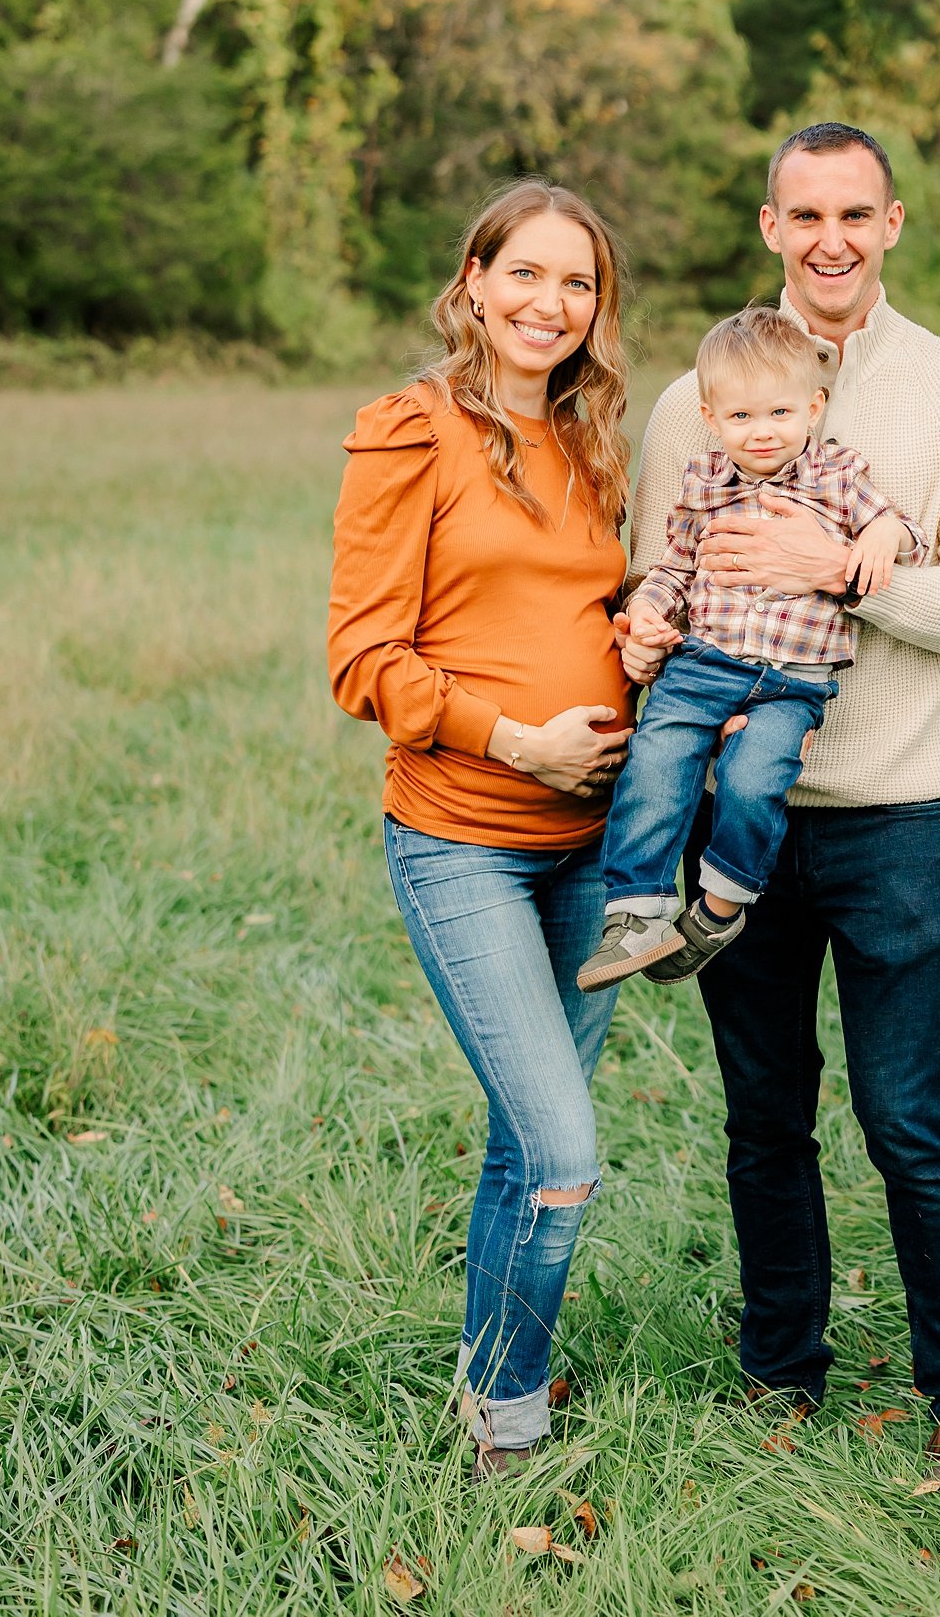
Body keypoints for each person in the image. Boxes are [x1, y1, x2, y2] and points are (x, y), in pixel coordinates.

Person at [630, 121, 940, 1475]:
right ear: (769, 226)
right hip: (736, 819)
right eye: (806, 216)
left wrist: (847, 566)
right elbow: (657, 578)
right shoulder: (697, 397)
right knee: (764, 1111)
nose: (832, 240)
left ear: (894, 221)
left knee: (908, 1111)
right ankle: (779, 1372)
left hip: (892, 816)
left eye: (856, 214)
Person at [327, 179, 635, 1481]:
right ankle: (508, 1411)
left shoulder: (592, 443)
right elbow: (361, 660)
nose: (548, 304)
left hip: (597, 847)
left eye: (578, 284)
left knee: (529, 1139)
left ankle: (498, 1403)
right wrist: (522, 741)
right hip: (464, 839)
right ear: (474, 279)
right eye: (527, 274)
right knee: (564, 1150)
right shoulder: (412, 429)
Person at [576, 305, 924, 992]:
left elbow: (900, 527)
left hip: (795, 678)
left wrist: (882, 537)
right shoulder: (705, 485)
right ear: (710, 417)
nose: (761, 433)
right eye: (740, 418)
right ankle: (636, 911)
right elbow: (673, 570)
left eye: (778, 414)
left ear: (812, 408)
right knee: (655, 758)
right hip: (703, 666)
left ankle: (720, 908)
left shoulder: (838, 474)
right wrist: (646, 608)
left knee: (752, 779)